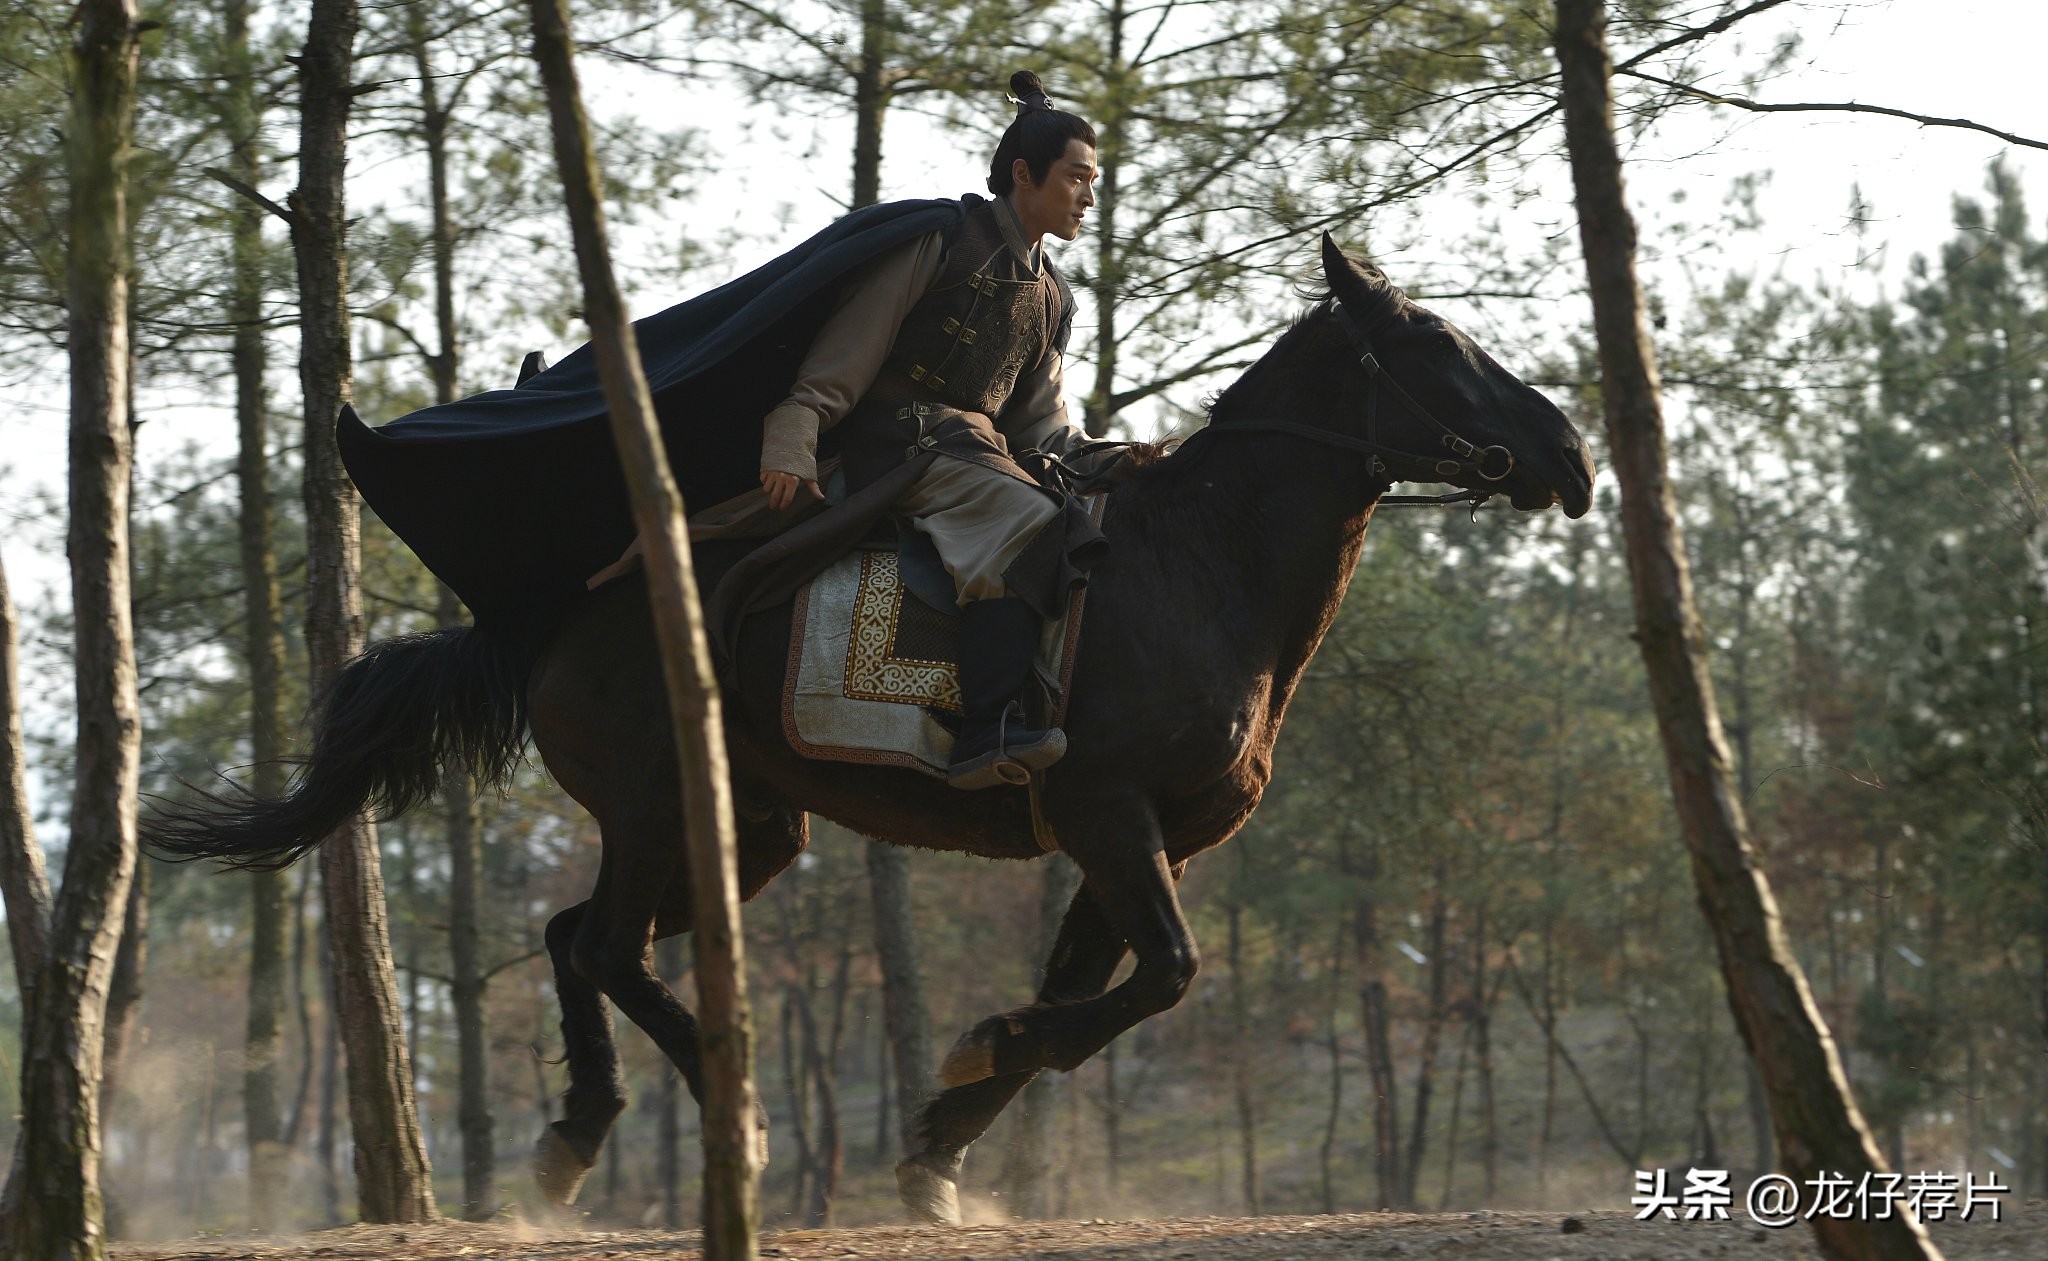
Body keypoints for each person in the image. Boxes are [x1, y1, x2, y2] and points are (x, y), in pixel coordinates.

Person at [754, 70, 1101, 789]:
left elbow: (1044, 429)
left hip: (974, 451)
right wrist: (795, 432)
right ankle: (985, 731)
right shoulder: (944, 238)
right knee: (1028, 516)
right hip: (897, 444)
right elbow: (846, 355)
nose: (1089, 197)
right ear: (1024, 174)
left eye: (1094, 180)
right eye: (1076, 178)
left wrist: (1123, 462)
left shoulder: (1053, 295)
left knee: (1072, 508)